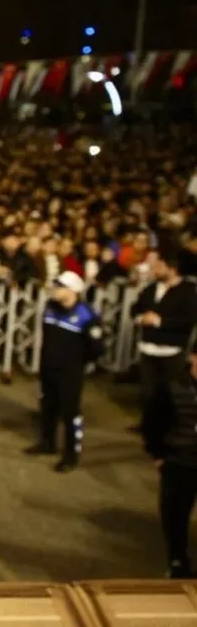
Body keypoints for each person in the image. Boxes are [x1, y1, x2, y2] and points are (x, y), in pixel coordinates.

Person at [25, 271, 104, 472]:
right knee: (48, 407)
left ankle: (71, 453)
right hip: (48, 368)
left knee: (70, 412)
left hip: (70, 372)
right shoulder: (50, 307)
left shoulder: (86, 315)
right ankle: (47, 442)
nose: (55, 290)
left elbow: (97, 348)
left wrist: (77, 362)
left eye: (60, 287)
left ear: (72, 291)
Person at [143, 346, 197, 578]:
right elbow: (152, 423)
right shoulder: (172, 388)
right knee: (175, 516)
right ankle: (177, 562)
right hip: (179, 462)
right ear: (193, 358)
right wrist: (158, 455)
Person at [130, 247, 197, 429]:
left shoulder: (188, 291)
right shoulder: (151, 288)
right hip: (148, 348)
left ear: (172, 268)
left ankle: (168, 429)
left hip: (172, 351)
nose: (154, 269)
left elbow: (188, 320)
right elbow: (135, 308)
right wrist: (141, 318)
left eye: (159, 265)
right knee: (147, 392)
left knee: (169, 394)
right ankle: (148, 426)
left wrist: (159, 321)